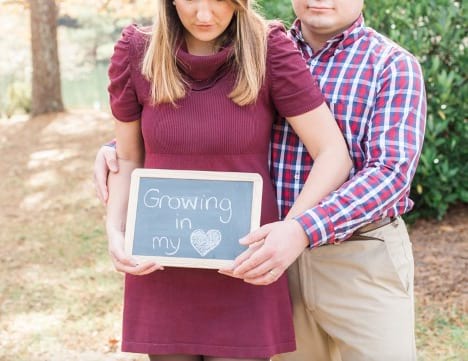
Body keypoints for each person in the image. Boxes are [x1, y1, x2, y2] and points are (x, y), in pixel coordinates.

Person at [96, 0, 426, 360]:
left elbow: (388, 173)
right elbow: (181, 134)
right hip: (257, 257)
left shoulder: (384, 63)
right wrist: (120, 158)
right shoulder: (268, 44)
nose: (204, 15)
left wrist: (298, 229)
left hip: (352, 256)